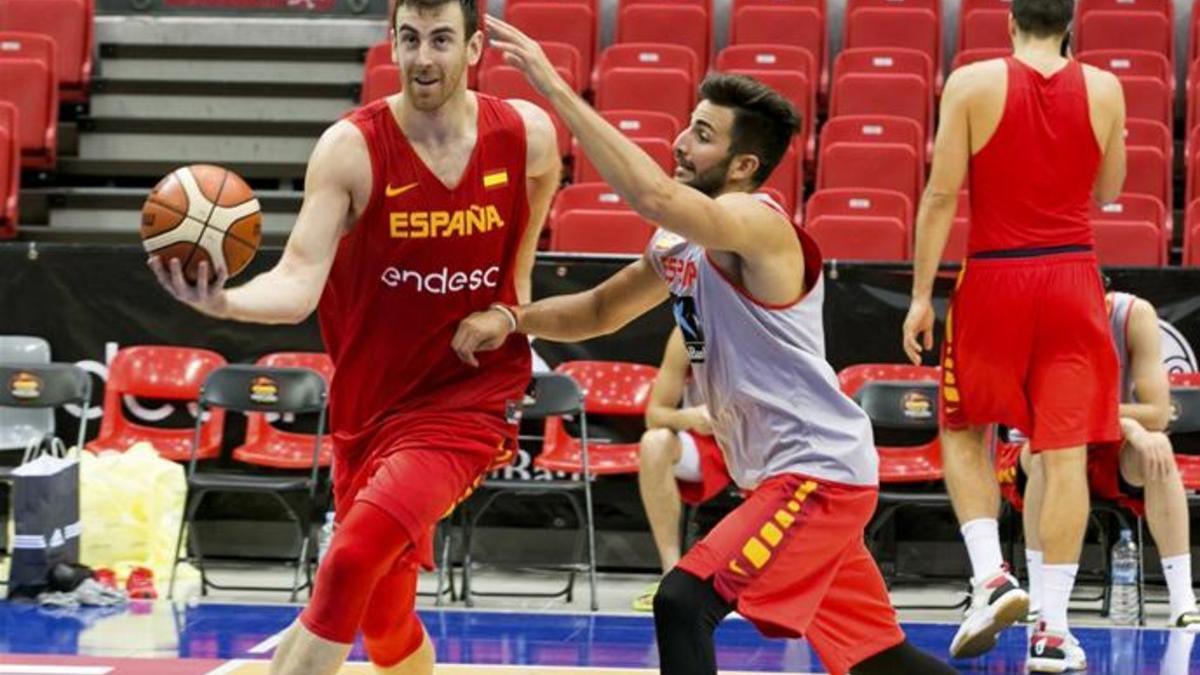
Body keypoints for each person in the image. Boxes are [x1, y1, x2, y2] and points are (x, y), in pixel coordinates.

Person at [452, 18, 958, 675]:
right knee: (881, 659)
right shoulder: (680, 241)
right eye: (688, 125)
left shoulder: (759, 224)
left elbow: (654, 195)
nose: (681, 142)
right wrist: (512, 318)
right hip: (785, 472)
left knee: (683, 600)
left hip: (817, 473)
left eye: (703, 134)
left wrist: (553, 85)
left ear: (744, 165)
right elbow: (600, 310)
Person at [149, 0, 561, 672]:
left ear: (475, 47)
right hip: (370, 407)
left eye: (440, 39)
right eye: (409, 39)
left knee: (349, 560)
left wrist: (514, 306)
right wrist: (224, 300)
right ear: (390, 44)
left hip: (467, 400)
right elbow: (298, 281)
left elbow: (540, 193)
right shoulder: (351, 147)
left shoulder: (527, 134)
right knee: (387, 620)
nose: (423, 57)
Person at [901, 0, 1126, 669]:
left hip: (996, 275)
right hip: (1073, 277)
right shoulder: (1107, 87)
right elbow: (1110, 190)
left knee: (965, 427)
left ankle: (991, 574)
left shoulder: (972, 81)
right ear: (1070, 23)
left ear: (1009, 23)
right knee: (1063, 454)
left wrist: (919, 296)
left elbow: (940, 197)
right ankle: (1053, 630)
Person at [999, 291, 1200, 632]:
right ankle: (1040, 599)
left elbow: (1158, 412)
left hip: (1106, 445)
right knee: (1049, 452)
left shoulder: (1134, 315)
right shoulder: (1037, 318)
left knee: (1159, 450)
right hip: (1037, 448)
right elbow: (1042, 415)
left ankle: (1183, 603)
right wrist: (1129, 424)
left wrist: (1134, 429)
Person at [633, 326, 732, 611]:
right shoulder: (689, 331)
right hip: (707, 446)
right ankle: (670, 574)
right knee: (654, 442)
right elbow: (655, 415)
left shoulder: (768, 320)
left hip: (760, 442)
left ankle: (779, 582)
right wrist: (688, 417)